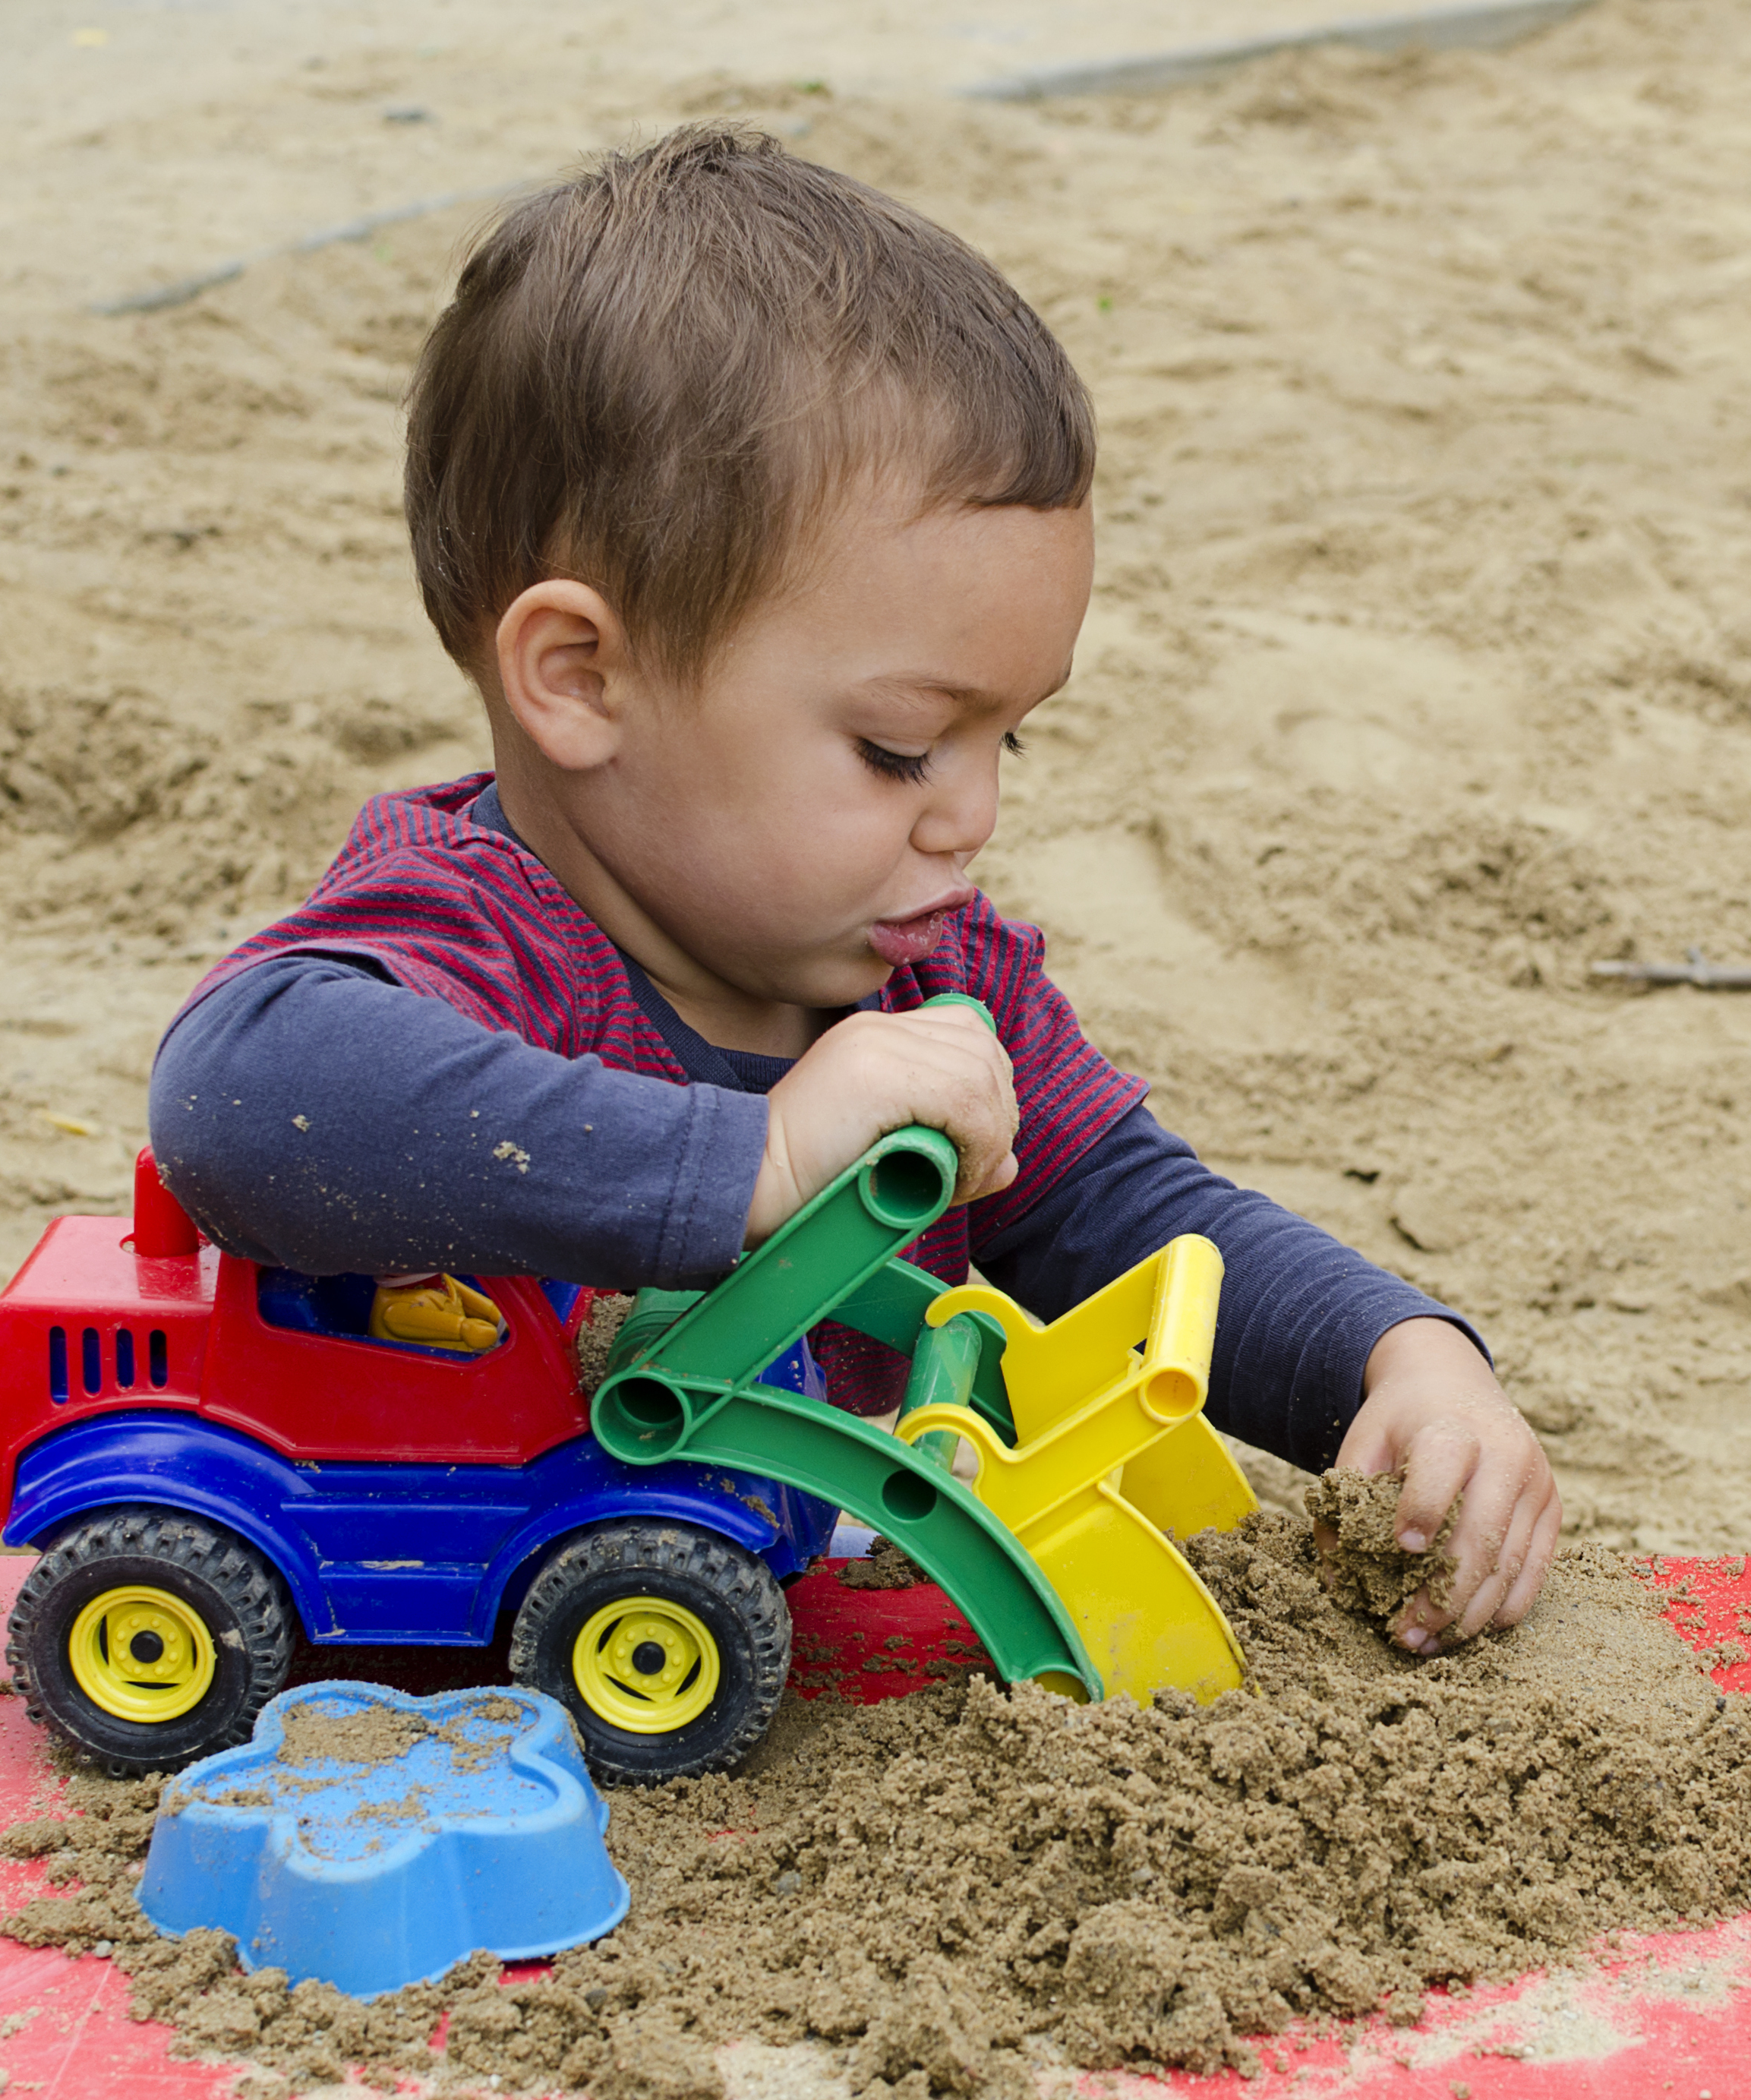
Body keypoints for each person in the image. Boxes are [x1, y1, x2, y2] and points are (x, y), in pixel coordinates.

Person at [145, 123, 1556, 1655]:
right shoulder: (480, 935)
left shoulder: (937, 977)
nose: (974, 813)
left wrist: (1396, 1356)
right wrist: (755, 1155)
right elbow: (243, 1094)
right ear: (582, 678)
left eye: (1005, 735)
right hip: (454, 1594)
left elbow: (1125, 1217)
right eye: (898, 748)